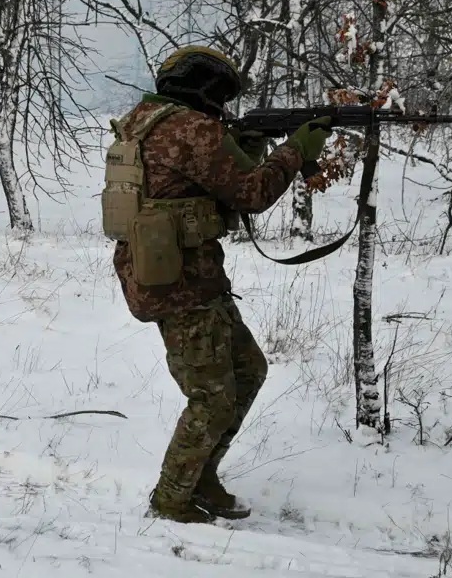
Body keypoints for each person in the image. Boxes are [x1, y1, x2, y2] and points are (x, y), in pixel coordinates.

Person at [104, 46, 332, 523]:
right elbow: (252, 193)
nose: (222, 108)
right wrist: (297, 150)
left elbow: (207, 186)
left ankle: (200, 477)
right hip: (181, 284)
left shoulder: (144, 120)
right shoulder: (188, 128)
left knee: (248, 370)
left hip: (182, 275)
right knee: (211, 396)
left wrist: (245, 145)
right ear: (202, 87)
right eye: (220, 96)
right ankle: (172, 500)